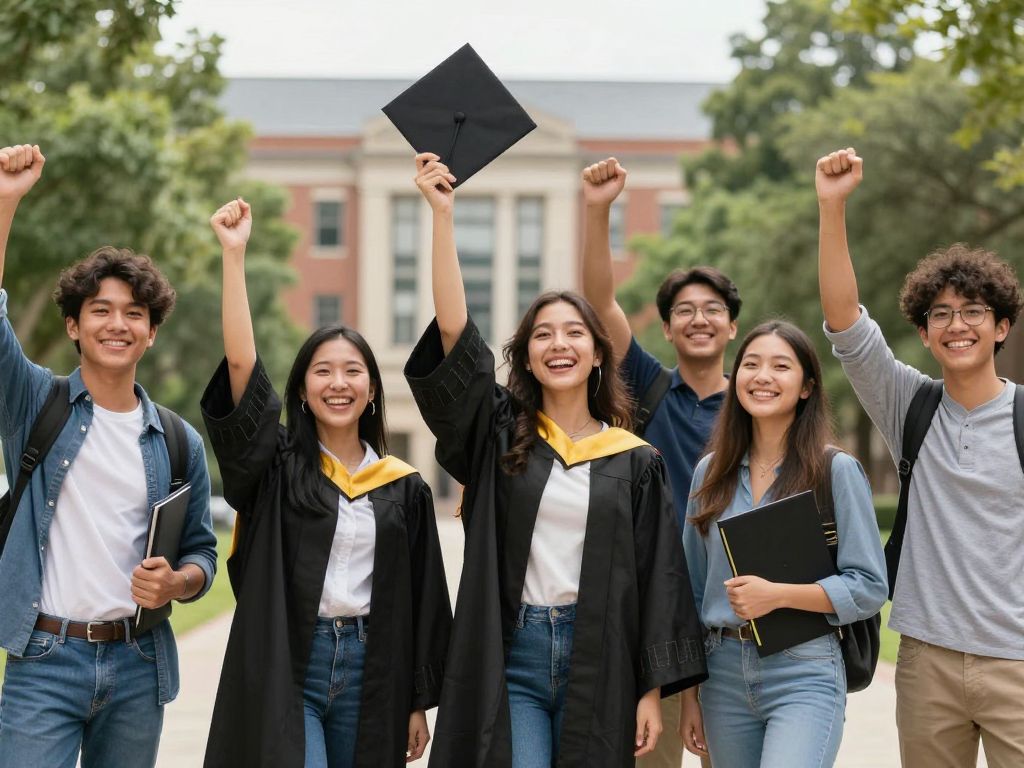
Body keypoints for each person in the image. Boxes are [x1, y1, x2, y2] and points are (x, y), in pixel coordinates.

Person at [405, 153, 707, 768]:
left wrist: (652, 689)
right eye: (543, 334)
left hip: (601, 653)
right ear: (527, 355)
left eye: (574, 333)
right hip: (513, 652)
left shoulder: (635, 461)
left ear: (599, 354)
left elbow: (660, 578)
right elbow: (455, 337)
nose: (559, 343)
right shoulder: (499, 435)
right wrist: (442, 216)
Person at [200, 198, 451, 768]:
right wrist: (233, 257)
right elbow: (242, 369)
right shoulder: (278, 466)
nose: (338, 384)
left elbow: (422, 598)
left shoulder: (403, 488)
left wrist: (417, 702)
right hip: (292, 661)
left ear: (371, 389)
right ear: (304, 388)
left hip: (374, 665)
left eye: (353, 371)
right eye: (323, 371)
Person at [0, 144, 217, 768]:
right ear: (74, 326)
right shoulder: (35, 403)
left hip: (136, 665)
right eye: (100, 311)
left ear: (151, 331)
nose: (117, 324)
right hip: (44, 661)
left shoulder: (178, 442)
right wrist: (8, 203)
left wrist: (177, 582)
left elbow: (201, 550)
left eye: (134, 313)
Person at [817, 147, 1024, 768]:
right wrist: (833, 208)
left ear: (1002, 327)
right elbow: (845, 325)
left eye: (973, 313)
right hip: (926, 660)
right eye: (941, 315)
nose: (957, 325)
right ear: (926, 331)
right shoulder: (910, 403)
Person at [580, 157, 741, 767]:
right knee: (653, 757)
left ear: (732, 327)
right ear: (668, 330)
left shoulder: (758, 402)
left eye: (712, 311)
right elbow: (600, 303)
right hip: (658, 610)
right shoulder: (646, 387)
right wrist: (599, 211)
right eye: (684, 312)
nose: (699, 319)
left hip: (733, 609)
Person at [679, 320, 887, 767]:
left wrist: (776, 596)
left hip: (804, 669)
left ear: (807, 386)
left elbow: (869, 586)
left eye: (780, 366)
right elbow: (693, 592)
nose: (763, 377)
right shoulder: (709, 473)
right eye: (751, 365)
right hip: (722, 674)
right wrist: (690, 695)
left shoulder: (836, 471)